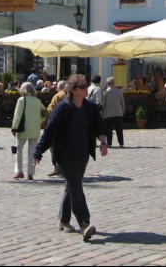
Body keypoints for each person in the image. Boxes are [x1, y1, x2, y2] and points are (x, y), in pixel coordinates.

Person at [33, 73, 108, 241]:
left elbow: (99, 127)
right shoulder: (63, 108)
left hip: (82, 154)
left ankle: (64, 220)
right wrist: (38, 151)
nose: (86, 88)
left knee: (72, 185)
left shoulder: (90, 108)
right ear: (73, 90)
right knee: (76, 187)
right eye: (82, 86)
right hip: (65, 155)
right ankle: (84, 224)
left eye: (86, 85)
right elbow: (49, 130)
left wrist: (103, 142)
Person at [11, 82, 46, 180]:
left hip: (23, 129)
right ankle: (30, 173)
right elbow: (45, 113)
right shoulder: (37, 101)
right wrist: (38, 122)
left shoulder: (21, 100)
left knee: (19, 150)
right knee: (32, 151)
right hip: (34, 129)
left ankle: (19, 171)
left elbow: (17, 115)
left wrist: (14, 127)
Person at [102, 77, 126, 147]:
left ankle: (109, 143)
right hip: (118, 112)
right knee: (119, 129)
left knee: (109, 129)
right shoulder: (119, 91)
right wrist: (123, 110)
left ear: (107, 83)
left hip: (108, 113)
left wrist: (102, 112)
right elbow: (122, 102)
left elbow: (103, 103)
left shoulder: (105, 92)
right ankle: (121, 143)